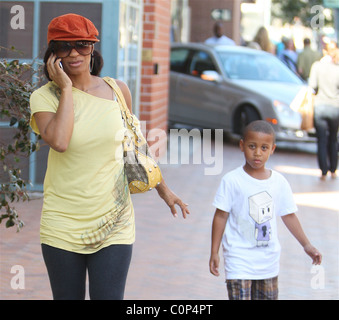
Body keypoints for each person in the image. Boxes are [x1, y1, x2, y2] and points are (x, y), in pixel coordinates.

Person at [29, 13, 190, 300]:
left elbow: (135, 147)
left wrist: (164, 190)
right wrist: (66, 88)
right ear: (53, 54)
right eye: (65, 47)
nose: (75, 53)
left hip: (115, 222)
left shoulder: (118, 90)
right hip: (63, 224)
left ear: (93, 47)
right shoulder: (45, 97)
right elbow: (60, 141)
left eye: (82, 44)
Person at [209, 120, 322, 300]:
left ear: (272, 149)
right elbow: (220, 216)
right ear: (241, 145)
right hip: (239, 260)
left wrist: (306, 245)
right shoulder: (232, 180)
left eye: (264, 148)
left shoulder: (279, 182)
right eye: (252, 146)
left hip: (268, 262)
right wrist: (214, 251)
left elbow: (289, 215)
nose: (257, 153)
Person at [308, 41, 339, 180]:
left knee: (321, 140)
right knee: (333, 138)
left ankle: (323, 171)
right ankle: (333, 169)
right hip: (335, 107)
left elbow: (312, 86)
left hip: (320, 107)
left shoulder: (317, 66)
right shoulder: (337, 68)